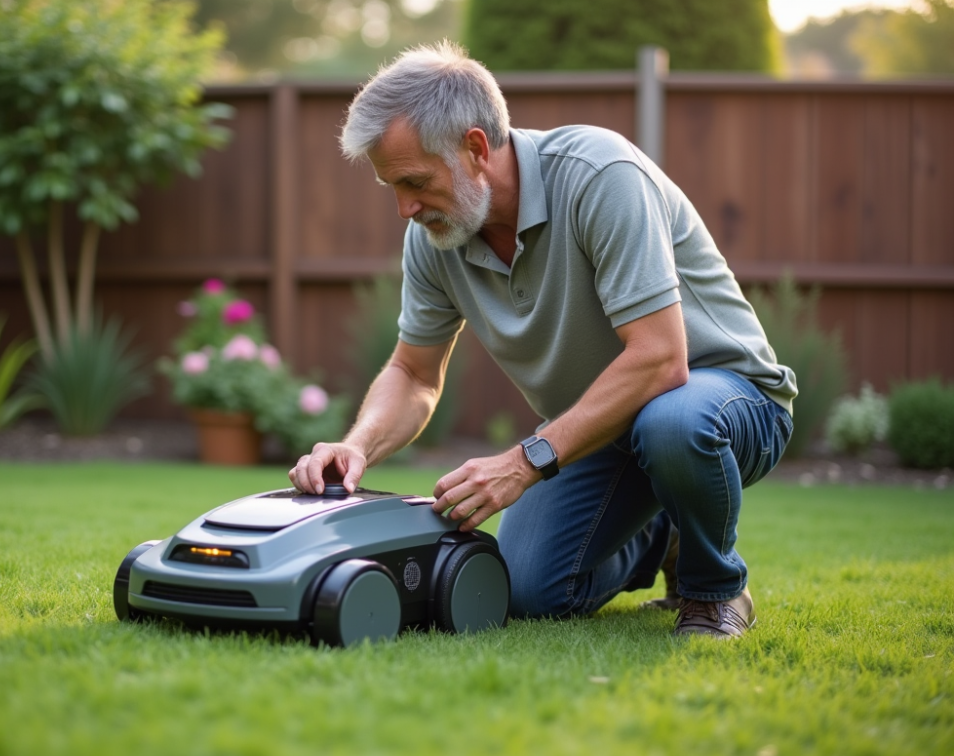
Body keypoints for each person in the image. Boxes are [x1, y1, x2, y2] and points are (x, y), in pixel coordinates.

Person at [287, 42, 796, 638]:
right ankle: (666, 532)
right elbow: (414, 372)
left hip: (730, 403)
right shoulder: (435, 236)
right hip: (606, 429)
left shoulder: (600, 177)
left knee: (673, 423)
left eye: (415, 181)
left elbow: (660, 360)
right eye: (391, 187)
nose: (404, 208)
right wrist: (358, 447)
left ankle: (713, 592)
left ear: (475, 148)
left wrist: (524, 461)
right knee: (528, 588)